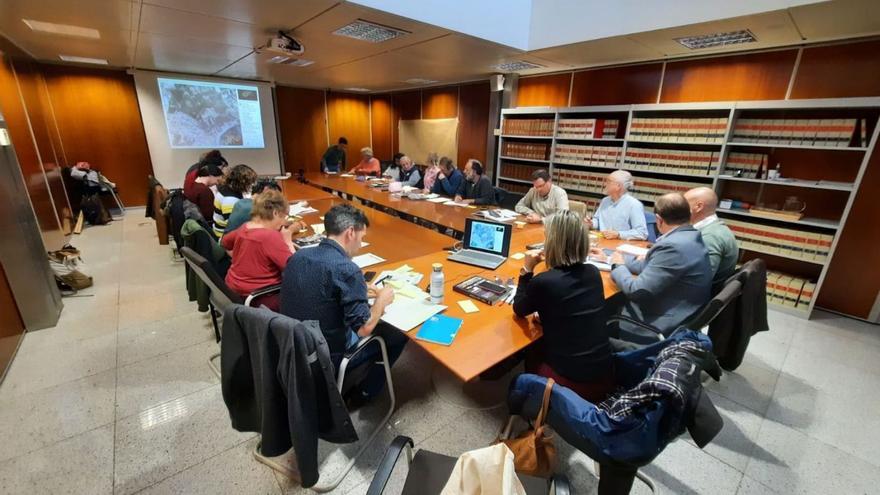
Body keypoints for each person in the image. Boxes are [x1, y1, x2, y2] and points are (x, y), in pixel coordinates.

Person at [280, 204, 407, 406]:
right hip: (325, 356)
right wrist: (381, 301)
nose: (360, 244)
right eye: (362, 238)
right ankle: (366, 392)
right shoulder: (347, 269)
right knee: (397, 336)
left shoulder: (299, 256)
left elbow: (319, 288)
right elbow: (364, 329)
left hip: (292, 344)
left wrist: (355, 290)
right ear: (350, 233)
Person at [513, 210, 614, 402]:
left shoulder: (544, 281)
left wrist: (526, 270)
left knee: (530, 347)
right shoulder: (592, 272)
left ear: (553, 243)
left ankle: (533, 401)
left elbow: (519, 309)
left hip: (572, 379)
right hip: (604, 371)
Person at [606, 193, 712, 342]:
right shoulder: (690, 237)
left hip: (659, 325)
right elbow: (653, 266)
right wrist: (612, 258)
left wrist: (618, 265)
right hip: (682, 312)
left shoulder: (673, 246)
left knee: (599, 307)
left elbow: (637, 291)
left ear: (659, 219)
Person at [221, 189, 303, 311]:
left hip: (233, 291)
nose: (283, 222)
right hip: (258, 298)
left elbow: (225, 242)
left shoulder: (245, 227)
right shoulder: (269, 236)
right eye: (283, 217)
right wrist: (288, 239)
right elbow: (295, 269)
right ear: (275, 213)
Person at [684, 187, 739, 286]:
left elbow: (698, 282)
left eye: (684, 204)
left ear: (698, 207)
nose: (679, 208)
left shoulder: (709, 237)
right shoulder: (715, 227)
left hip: (701, 297)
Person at [585, 170, 648, 240]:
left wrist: (618, 234)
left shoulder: (634, 205)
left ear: (618, 186)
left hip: (619, 245)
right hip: (602, 241)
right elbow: (597, 220)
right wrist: (591, 224)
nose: (605, 184)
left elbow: (642, 233)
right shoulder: (605, 201)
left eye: (608, 182)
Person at [213, 164, 257, 238]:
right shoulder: (230, 200)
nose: (250, 186)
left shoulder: (224, 189)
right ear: (242, 183)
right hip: (223, 236)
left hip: (219, 230)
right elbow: (234, 225)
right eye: (249, 183)